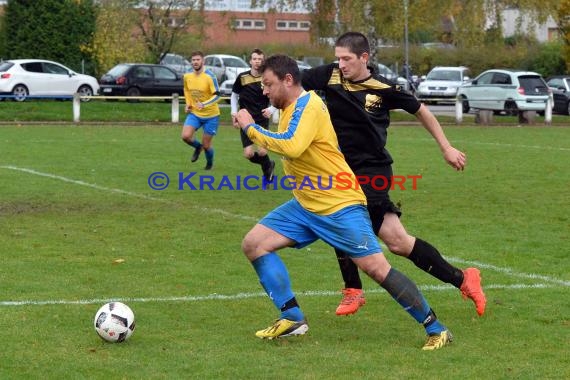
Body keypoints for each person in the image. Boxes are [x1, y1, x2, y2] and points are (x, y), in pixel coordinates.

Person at [235, 54, 453, 351]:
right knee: (254, 244)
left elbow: (293, 146)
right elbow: (288, 143)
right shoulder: (286, 108)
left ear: (288, 80)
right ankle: (292, 317)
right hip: (306, 204)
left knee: (376, 268)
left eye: (268, 84)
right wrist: (259, 140)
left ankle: (436, 328)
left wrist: (250, 127)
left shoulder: (309, 105)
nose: (264, 90)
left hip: (339, 204)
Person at [301, 32, 486, 317]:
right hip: (341, 169)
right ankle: (463, 279)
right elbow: (293, 86)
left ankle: (353, 289)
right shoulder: (330, 75)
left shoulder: (384, 88)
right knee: (398, 242)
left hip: (373, 169)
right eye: (338, 58)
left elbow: (422, 111)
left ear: (364, 58)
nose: (341, 64)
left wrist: (446, 147)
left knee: (342, 217)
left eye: (347, 58)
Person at [231, 48, 276, 181]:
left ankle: (267, 171)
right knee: (249, 154)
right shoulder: (242, 77)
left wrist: (271, 109)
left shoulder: (267, 78)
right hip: (245, 119)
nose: (257, 62)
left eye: (260, 59)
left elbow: (276, 96)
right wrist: (234, 114)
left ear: (263, 61)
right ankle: (268, 165)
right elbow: (234, 96)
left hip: (261, 119)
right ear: (250, 61)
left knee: (262, 151)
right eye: (255, 59)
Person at [181, 50, 221, 170]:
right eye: (193, 60)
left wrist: (204, 104)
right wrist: (188, 104)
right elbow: (186, 90)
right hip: (195, 113)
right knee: (185, 136)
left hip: (211, 116)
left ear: (203, 61)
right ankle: (198, 147)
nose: (195, 62)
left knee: (207, 145)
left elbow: (218, 95)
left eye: (198, 60)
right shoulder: (187, 76)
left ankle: (209, 164)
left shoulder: (210, 76)